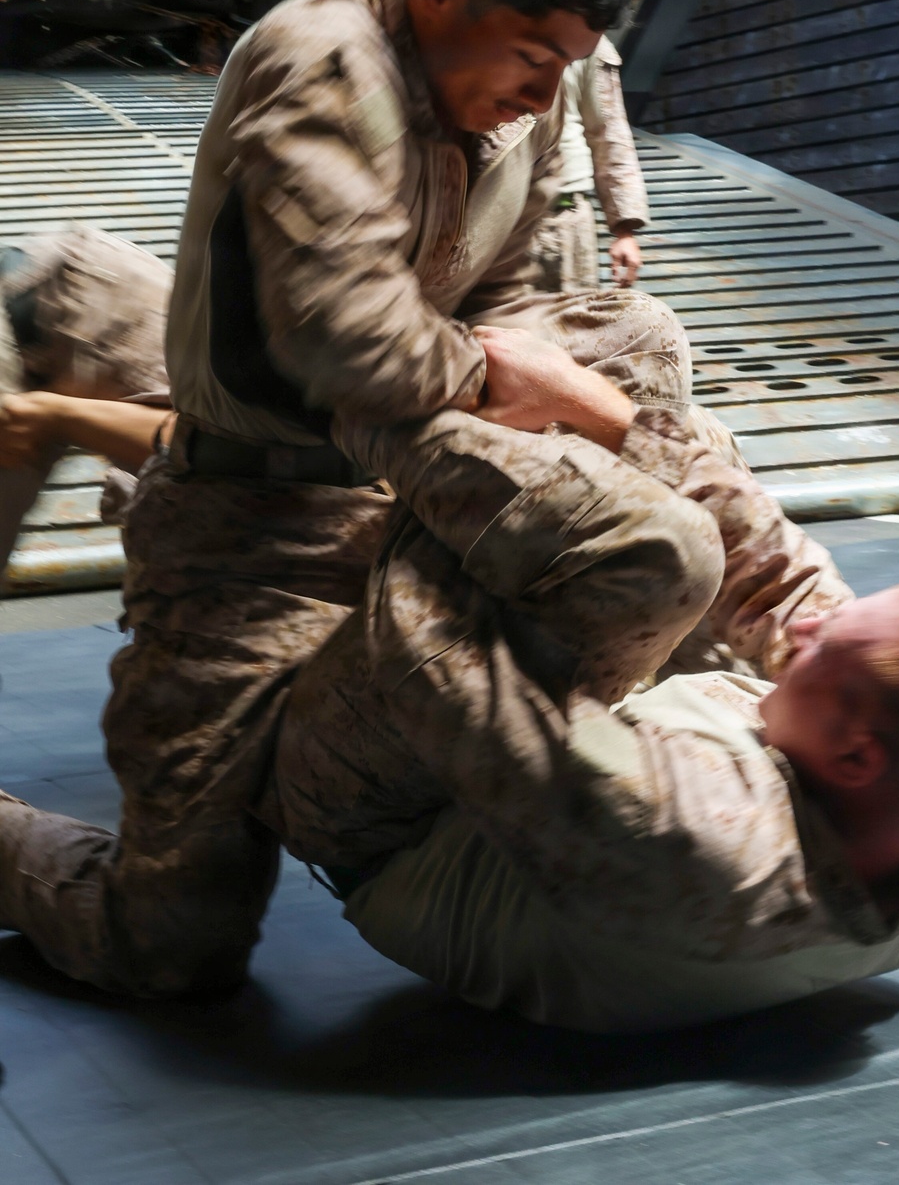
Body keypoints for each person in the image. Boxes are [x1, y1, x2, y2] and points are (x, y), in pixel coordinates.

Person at [0, 320, 854, 1003]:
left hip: (357, 662)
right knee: (646, 361)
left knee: (162, 939)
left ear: (860, 755)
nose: (813, 635)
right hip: (408, 532)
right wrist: (596, 417)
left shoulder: (699, 829)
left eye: (830, 654)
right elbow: (788, 583)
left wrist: (409, 438)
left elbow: (434, 663)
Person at [0, 227, 172, 572]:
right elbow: (191, 445)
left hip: (84, 293)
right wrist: (57, 414)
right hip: (63, 300)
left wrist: (59, 414)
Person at [531, 38, 649, 291]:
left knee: (571, 323)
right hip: (490, 216)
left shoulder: (588, 36)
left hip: (561, 219)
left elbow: (609, 132)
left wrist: (625, 231)